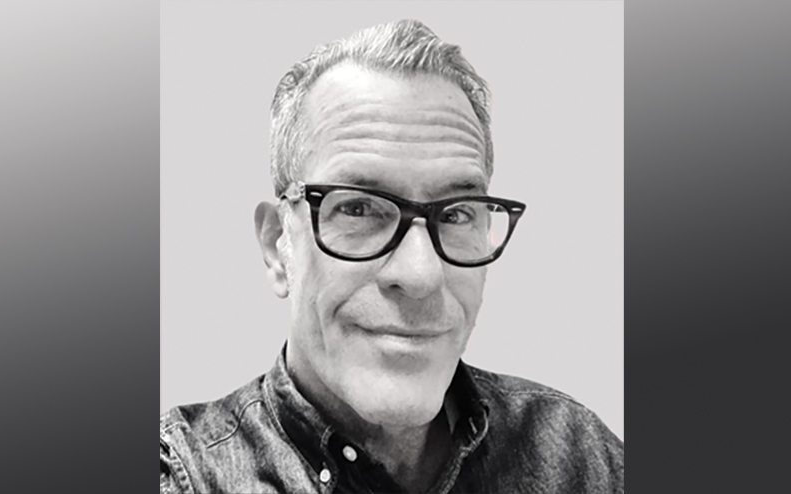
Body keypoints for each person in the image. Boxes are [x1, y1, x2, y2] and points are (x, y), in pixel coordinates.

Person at [160, 19, 623, 494]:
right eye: (358, 209)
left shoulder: (581, 458)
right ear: (278, 245)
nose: (421, 274)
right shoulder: (184, 476)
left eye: (456, 214)